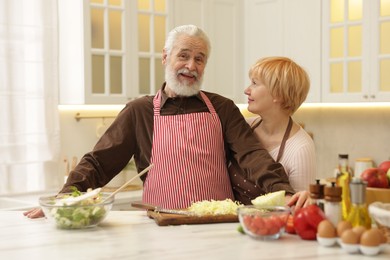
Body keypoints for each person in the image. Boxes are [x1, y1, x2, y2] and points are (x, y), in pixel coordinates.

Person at [24, 25, 308, 218]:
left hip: (216, 227)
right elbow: (99, 163)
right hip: (159, 227)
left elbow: (253, 155)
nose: (191, 66)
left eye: (199, 59)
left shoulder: (222, 108)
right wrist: (65, 197)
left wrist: (283, 193)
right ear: (165, 57)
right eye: (183, 56)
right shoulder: (140, 111)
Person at [244, 56, 316, 193]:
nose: (247, 90)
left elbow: (297, 208)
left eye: (255, 83)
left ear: (278, 94)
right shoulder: (243, 128)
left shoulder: (301, 149)